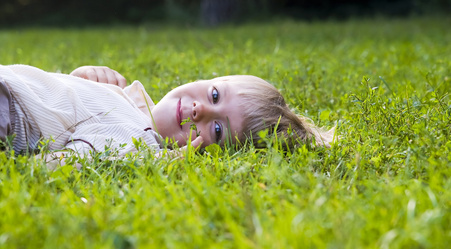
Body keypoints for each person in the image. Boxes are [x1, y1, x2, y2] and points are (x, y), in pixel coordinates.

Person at [0, 65, 335, 162]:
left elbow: (66, 160)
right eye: (215, 95)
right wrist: (83, 76)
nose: (200, 109)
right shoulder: (133, 102)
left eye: (217, 130)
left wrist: (162, 161)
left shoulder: (137, 137)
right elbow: (66, 102)